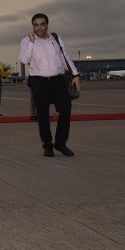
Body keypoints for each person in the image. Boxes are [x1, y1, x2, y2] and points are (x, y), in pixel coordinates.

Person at [19, 13, 81, 157]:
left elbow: (65, 57)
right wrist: (31, 42)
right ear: (32, 26)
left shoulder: (56, 38)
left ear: (47, 25)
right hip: (38, 82)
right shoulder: (26, 41)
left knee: (65, 109)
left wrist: (76, 75)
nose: (39, 27)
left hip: (58, 80)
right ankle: (47, 145)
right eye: (36, 24)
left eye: (42, 24)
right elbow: (23, 59)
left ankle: (60, 143)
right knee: (43, 115)